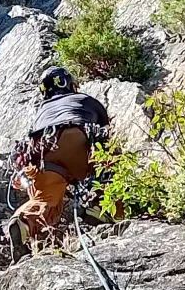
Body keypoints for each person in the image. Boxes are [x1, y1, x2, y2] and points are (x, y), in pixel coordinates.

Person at [11, 65, 112, 252]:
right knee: (111, 155)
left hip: (43, 152)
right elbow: (106, 133)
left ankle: (25, 221)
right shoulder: (84, 99)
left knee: (44, 196)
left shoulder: (42, 111)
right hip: (78, 142)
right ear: (69, 84)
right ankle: (102, 206)